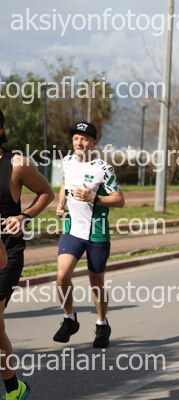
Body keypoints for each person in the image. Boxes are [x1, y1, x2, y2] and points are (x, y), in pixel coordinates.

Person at [53, 122, 125, 349]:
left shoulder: (103, 168)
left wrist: (93, 198)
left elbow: (119, 200)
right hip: (72, 230)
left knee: (96, 282)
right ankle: (69, 318)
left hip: (97, 233)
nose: (79, 142)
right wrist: (60, 204)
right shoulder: (67, 161)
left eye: (84, 138)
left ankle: (102, 324)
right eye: (76, 138)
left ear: (94, 143)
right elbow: (65, 184)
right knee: (62, 276)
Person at [0, 110, 54, 399]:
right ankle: (14, 387)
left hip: (7, 252)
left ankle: (13, 389)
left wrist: (24, 216)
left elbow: (46, 192)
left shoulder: (17, 164)